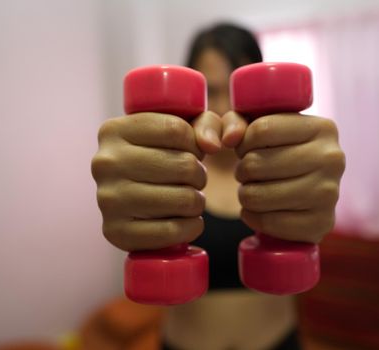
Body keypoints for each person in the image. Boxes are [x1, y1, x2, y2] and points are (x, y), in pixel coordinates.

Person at [91, 23, 345, 350]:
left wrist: (320, 200)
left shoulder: (289, 170)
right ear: (190, 95)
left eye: (234, 90)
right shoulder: (164, 174)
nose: (224, 108)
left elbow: (311, 225)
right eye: (211, 91)